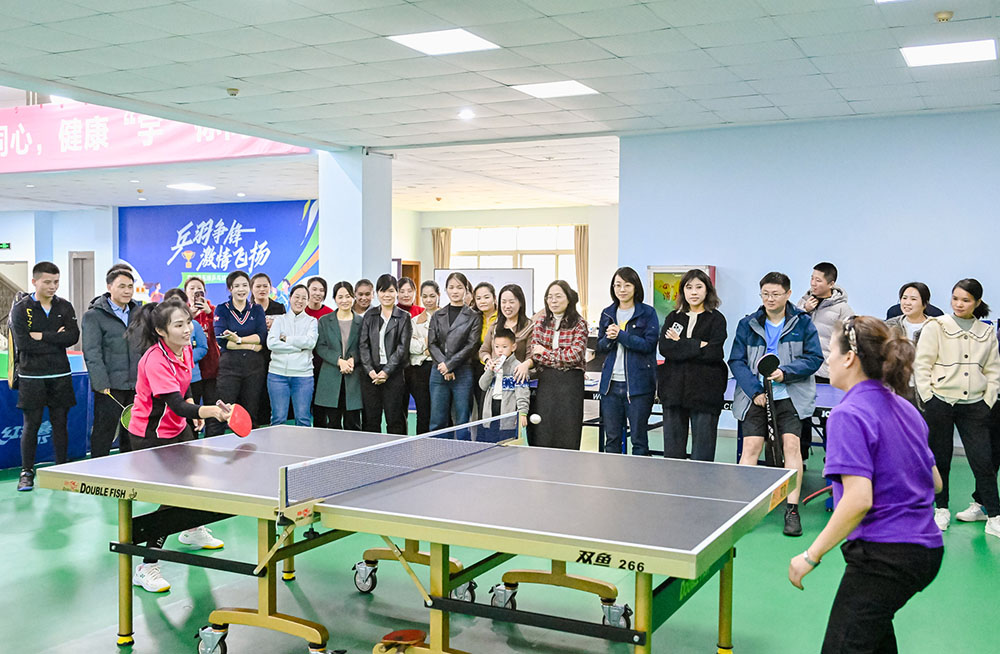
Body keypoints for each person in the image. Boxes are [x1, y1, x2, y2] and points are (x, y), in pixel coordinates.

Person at [788, 316, 944, 653]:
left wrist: (810, 556)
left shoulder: (847, 414)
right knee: (874, 642)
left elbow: (858, 500)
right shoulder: (905, 407)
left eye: (831, 351)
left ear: (849, 358)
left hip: (885, 556)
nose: (828, 359)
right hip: (926, 550)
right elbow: (935, 483)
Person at [124, 299, 232, 592]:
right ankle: (147, 566)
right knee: (172, 495)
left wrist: (194, 409)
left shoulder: (184, 350)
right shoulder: (155, 360)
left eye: (188, 322)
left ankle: (192, 530)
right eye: (179, 325)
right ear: (161, 331)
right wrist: (209, 412)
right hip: (151, 434)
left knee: (195, 481)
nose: (187, 329)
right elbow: (175, 403)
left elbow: (185, 390)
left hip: (177, 427)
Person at [729, 271, 823, 537]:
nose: (770, 299)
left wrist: (786, 373)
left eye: (775, 294)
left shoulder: (802, 323)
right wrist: (755, 391)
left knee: (792, 446)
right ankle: (743, 509)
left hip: (790, 396)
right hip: (756, 397)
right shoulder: (747, 324)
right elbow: (736, 361)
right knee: (751, 447)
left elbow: (814, 358)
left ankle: (791, 510)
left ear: (788, 294)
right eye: (765, 294)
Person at [914, 278, 1000, 537]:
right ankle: (941, 509)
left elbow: (993, 370)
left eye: (966, 300)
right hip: (940, 402)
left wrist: (987, 400)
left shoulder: (986, 332)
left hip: (975, 405)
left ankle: (993, 515)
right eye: (955, 299)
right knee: (940, 458)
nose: (959, 304)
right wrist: (928, 397)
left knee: (983, 460)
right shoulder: (936, 326)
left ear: (977, 302)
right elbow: (922, 364)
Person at [10, 262, 80, 492]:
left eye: (56, 282)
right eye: (47, 282)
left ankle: (62, 469)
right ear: (34, 282)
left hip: (61, 375)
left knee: (60, 424)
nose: (52, 286)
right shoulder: (21, 309)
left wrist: (41, 336)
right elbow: (24, 344)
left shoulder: (65, 307)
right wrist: (55, 339)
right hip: (31, 377)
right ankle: (26, 472)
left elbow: (72, 337)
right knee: (31, 425)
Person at [657, 268, 728, 461]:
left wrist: (680, 343)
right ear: (683, 291)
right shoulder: (673, 317)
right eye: (689, 287)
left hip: (705, 393)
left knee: (703, 453)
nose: (694, 292)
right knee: (672, 453)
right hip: (674, 391)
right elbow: (665, 348)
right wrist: (699, 345)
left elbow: (714, 352)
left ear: (707, 290)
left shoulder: (716, 319)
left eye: (699, 287)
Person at [596, 267, 659, 456]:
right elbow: (600, 347)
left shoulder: (647, 313)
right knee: (612, 439)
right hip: (610, 386)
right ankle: (612, 474)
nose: (622, 289)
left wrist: (621, 335)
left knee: (639, 439)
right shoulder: (607, 313)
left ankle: (639, 474)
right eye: (618, 285)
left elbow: (649, 345)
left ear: (635, 287)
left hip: (638, 386)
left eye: (627, 285)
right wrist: (608, 339)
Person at [797, 262, 853, 462]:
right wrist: (804, 310)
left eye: (818, 280)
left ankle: (832, 460)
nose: (813, 283)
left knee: (830, 419)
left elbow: (848, 339)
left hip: (827, 372)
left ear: (831, 283)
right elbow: (790, 325)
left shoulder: (842, 309)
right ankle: (800, 457)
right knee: (801, 415)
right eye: (812, 278)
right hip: (804, 369)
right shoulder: (803, 302)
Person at [82, 267, 140, 458]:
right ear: (109, 287)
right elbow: (92, 352)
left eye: (130, 286)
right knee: (104, 431)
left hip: (136, 384)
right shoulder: (94, 316)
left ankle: (131, 469)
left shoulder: (138, 313)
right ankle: (97, 469)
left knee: (132, 430)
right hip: (109, 386)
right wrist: (100, 383)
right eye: (122, 286)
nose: (127, 291)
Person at [207, 271, 268, 436]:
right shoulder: (222, 309)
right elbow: (223, 341)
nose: (241, 289)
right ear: (230, 289)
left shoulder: (256, 309)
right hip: (229, 368)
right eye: (237, 286)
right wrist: (252, 346)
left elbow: (262, 337)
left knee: (251, 412)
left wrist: (239, 340)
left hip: (254, 368)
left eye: (245, 285)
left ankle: (252, 448)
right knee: (222, 411)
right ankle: (213, 445)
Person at [531, 280, 589, 450]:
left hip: (571, 382)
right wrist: (554, 357)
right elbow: (536, 354)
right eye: (549, 297)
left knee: (568, 431)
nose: (553, 301)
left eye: (558, 296)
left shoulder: (579, 323)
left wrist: (546, 352)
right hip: (547, 381)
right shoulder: (540, 322)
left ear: (569, 299)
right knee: (545, 431)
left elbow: (575, 355)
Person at [428, 272, 482, 435]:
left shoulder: (474, 317)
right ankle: (438, 449)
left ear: (466, 290)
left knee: (462, 419)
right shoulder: (437, 315)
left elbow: (471, 345)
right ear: (446, 290)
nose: (455, 291)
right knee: (437, 419)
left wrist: (450, 365)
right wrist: (444, 366)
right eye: (451, 287)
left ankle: (462, 450)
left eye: (459, 287)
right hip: (438, 371)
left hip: (463, 372)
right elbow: (431, 343)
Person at [359, 274, 411, 434]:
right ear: (377, 293)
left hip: (394, 374)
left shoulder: (404, 317)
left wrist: (386, 371)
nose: (387, 295)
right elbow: (363, 345)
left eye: (391, 291)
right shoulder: (370, 315)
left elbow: (402, 348)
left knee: (395, 420)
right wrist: (370, 371)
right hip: (371, 375)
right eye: (383, 291)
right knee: (370, 420)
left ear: (396, 293)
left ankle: (397, 450)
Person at [266, 284, 318, 426]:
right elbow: (271, 344)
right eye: (296, 297)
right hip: (277, 375)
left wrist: (286, 339)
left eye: (304, 298)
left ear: (308, 301)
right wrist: (298, 348)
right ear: (290, 298)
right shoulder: (279, 320)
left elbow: (310, 342)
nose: (300, 301)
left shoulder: (312, 321)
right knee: (278, 419)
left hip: (303, 376)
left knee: (303, 419)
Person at [315, 281, 364, 430]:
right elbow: (320, 346)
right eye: (340, 297)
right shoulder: (324, 321)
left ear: (353, 297)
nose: (344, 300)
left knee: (353, 424)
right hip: (331, 376)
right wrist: (339, 361)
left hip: (354, 377)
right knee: (333, 424)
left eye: (348, 296)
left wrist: (353, 359)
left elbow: (365, 346)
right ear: (334, 299)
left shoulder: (361, 321)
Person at [162, 288, 208, 435]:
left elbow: (203, 348)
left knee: (192, 421)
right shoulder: (157, 354)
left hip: (193, 380)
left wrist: (184, 360)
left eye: (179, 302)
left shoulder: (194, 326)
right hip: (170, 383)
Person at [478, 327, 530, 441]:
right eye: (497, 347)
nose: (500, 350)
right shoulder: (492, 364)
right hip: (491, 410)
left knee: (506, 444)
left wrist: (523, 413)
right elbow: (482, 386)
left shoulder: (518, 367)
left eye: (504, 347)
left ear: (513, 347)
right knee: (490, 443)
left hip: (508, 413)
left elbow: (522, 392)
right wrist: (490, 371)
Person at [251, 272, 287, 427]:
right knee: (254, 393)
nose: (262, 289)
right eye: (258, 286)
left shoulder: (279, 307)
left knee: (272, 393)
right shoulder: (247, 309)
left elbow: (286, 332)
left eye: (265, 286)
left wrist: (276, 326)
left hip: (275, 357)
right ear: (251, 289)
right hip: (253, 356)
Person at [184, 276, 220, 424]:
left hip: (211, 368)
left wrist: (210, 314)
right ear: (186, 293)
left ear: (204, 292)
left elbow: (219, 335)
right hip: (191, 372)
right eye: (191, 288)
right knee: (192, 411)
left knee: (212, 410)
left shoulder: (214, 311)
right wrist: (189, 318)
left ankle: (213, 436)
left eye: (199, 289)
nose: (195, 291)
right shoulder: (182, 314)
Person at [481, 284, 534, 383]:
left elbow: (531, 356)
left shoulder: (529, 327)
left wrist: (525, 365)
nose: (507, 306)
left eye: (511, 302)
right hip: (495, 379)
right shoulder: (495, 326)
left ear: (520, 303)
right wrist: (488, 360)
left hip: (517, 379)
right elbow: (484, 350)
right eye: (503, 302)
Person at [407, 281, 439, 434]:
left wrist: (426, 345)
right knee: (423, 412)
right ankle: (421, 444)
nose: (428, 300)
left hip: (440, 368)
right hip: (420, 370)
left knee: (440, 412)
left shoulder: (446, 319)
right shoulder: (414, 321)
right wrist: (427, 347)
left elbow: (448, 344)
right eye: (425, 296)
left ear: (438, 295)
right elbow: (410, 346)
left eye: (432, 296)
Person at [305, 276, 333, 426]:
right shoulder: (300, 311)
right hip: (303, 365)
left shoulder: (330, 314)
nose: (318, 293)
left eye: (321, 290)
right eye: (314, 289)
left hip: (324, 365)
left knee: (321, 405)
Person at [471, 282, 498, 418]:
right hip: (478, 366)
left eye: (486, 297)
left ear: (494, 298)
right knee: (481, 406)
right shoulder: (473, 318)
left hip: (497, 367)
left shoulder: (502, 316)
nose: (482, 301)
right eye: (479, 298)